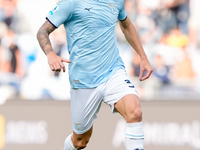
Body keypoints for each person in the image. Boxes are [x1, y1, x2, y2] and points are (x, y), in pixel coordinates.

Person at [36, 0, 153, 150]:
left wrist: (143, 57)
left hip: (113, 71)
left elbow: (127, 25)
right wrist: (51, 54)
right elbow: (42, 31)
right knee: (80, 141)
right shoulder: (70, 3)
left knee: (135, 111)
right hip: (83, 79)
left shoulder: (116, 1)